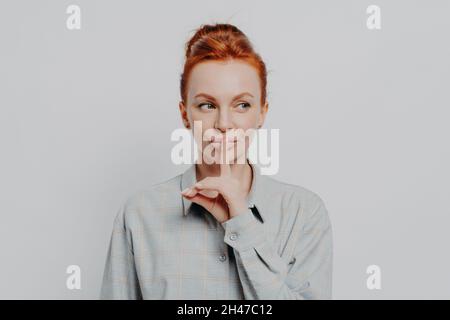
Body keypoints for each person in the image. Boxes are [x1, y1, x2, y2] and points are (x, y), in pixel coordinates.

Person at [100, 23, 333, 300]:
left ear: (262, 113)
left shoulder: (304, 213)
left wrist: (241, 221)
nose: (223, 124)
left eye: (242, 105)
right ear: (185, 114)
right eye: (207, 105)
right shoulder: (139, 215)